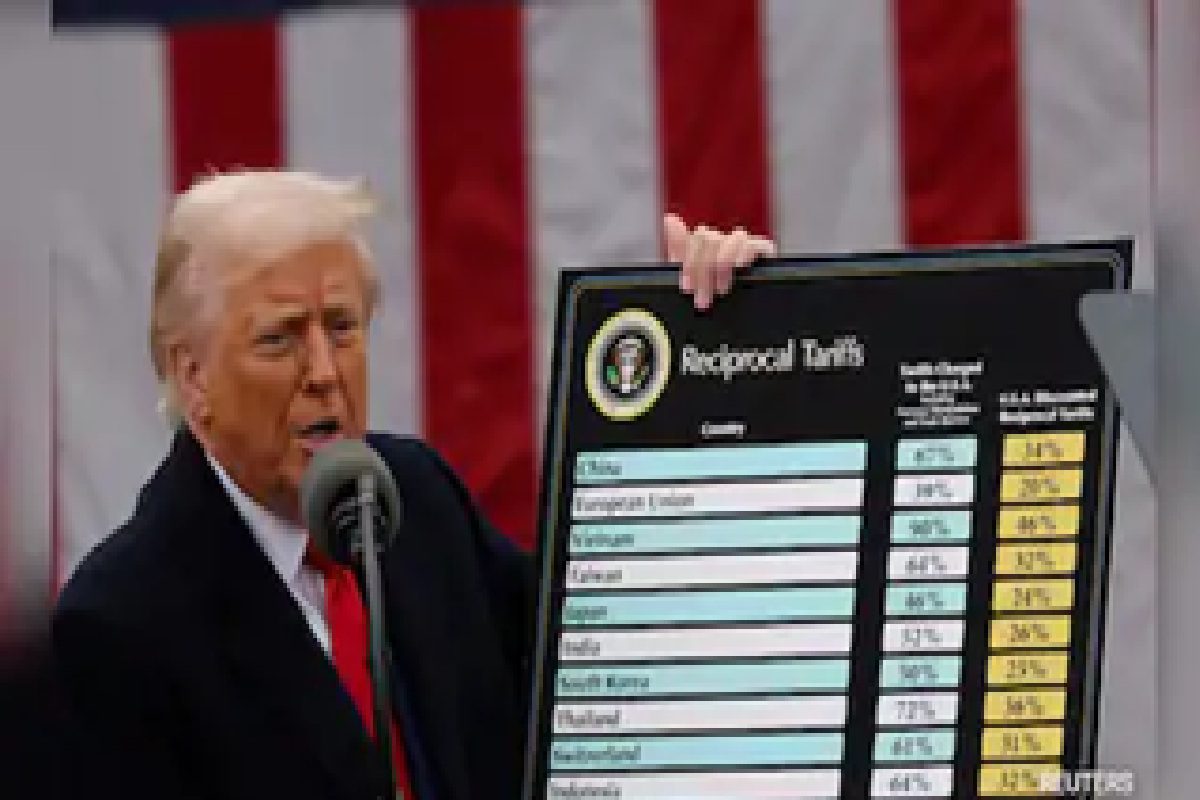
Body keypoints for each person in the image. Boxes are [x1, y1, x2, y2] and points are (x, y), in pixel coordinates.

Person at [51, 171, 776, 800]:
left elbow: (605, 661)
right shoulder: (118, 628)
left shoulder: (414, 500)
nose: (324, 372)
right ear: (193, 378)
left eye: (342, 328)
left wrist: (710, 357)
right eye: (280, 339)